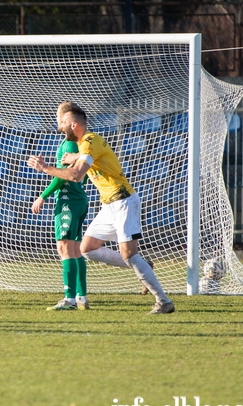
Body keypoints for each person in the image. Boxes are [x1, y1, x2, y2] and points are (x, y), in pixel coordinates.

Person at [27, 104, 175, 314]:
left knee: (129, 254)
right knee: (87, 248)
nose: (60, 127)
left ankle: (163, 301)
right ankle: (143, 266)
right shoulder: (86, 144)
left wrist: (44, 168)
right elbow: (95, 158)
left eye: (63, 123)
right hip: (109, 205)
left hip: (123, 201)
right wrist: (75, 157)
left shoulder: (89, 141)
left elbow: (76, 176)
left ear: (74, 125)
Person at [28, 101, 89, 311]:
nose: (58, 121)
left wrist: (42, 196)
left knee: (65, 248)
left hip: (68, 201)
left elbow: (64, 177)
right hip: (77, 200)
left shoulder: (69, 145)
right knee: (75, 249)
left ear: (66, 120)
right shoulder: (73, 144)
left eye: (60, 118)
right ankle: (81, 297)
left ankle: (69, 299)